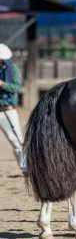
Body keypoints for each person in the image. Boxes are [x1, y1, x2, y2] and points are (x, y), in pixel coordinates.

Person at [0, 43, 26, 175]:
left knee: (16, 140)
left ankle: (25, 167)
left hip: (7, 110)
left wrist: (3, 84)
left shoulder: (13, 69)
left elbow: (16, 87)